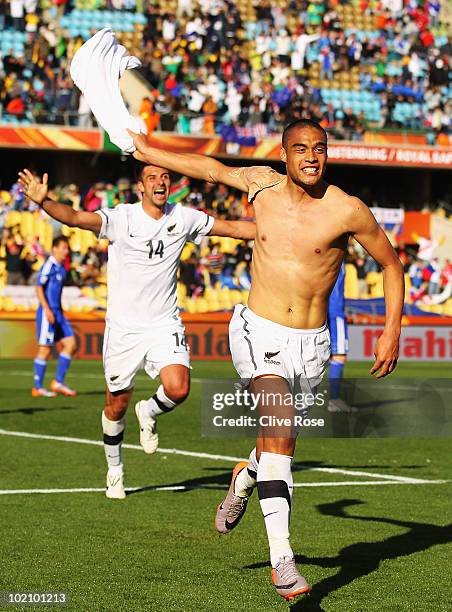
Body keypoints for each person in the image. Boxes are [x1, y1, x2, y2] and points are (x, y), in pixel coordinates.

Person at [127, 119, 404, 602]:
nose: (311, 157)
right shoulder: (261, 184)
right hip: (259, 330)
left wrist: (391, 328)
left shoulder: (348, 209)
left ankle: (245, 476)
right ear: (284, 153)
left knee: (278, 446)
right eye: (301, 149)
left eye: (319, 149)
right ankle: (283, 562)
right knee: (279, 421)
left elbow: (390, 264)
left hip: (312, 345)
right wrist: (148, 148)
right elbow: (207, 169)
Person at [18, 165, 255, 500]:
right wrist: (45, 202)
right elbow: (74, 218)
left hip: (164, 322)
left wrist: (279, 229)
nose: (160, 182)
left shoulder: (184, 217)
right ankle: (115, 469)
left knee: (179, 387)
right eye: (152, 178)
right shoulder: (121, 218)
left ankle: (150, 411)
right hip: (124, 329)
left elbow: (231, 228)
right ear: (141, 187)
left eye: (164, 177)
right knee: (116, 405)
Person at [33, 236, 77, 398]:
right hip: (48, 312)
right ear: (55, 248)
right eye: (64, 248)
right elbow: (38, 287)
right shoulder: (49, 266)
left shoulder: (61, 268)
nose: (66, 251)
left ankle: (58, 381)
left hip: (59, 312)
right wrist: (46, 309)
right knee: (45, 349)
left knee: (71, 344)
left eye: (67, 248)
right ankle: (37, 387)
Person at [327, 261, 357, 413]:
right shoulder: (337, 256)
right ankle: (334, 399)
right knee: (339, 356)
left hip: (321, 311)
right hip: (335, 313)